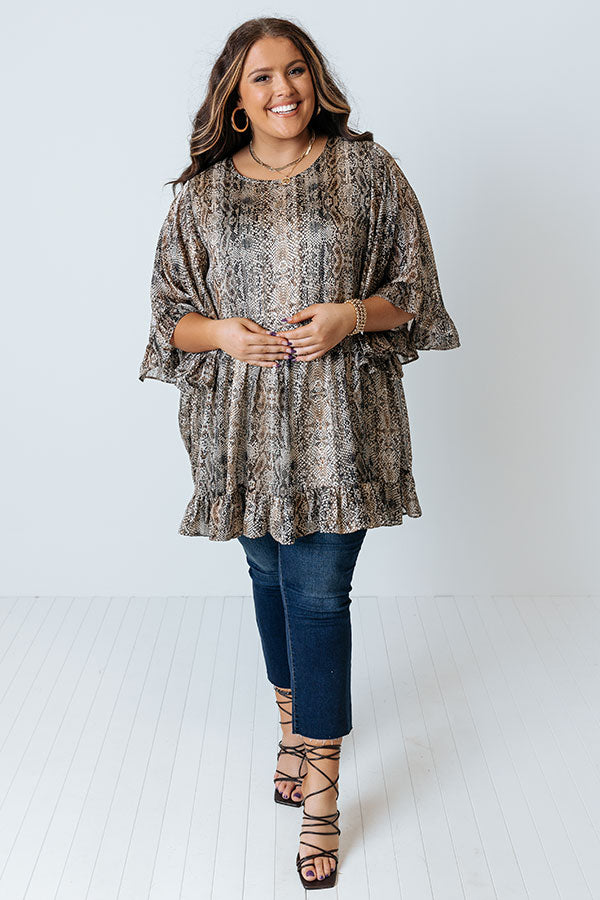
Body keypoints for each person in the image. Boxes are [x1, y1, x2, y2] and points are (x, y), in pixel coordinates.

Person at [138, 16, 461, 890]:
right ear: (235, 100)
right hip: (238, 430)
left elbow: (415, 290)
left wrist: (350, 315)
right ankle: (291, 726)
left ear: (315, 79)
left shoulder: (367, 170)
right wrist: (224, 334)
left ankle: (321, 794)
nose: (283, 89)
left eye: (296, 70)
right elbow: (169, 315)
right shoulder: (203, 196)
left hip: (340, 422)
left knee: (318, 596)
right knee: (267, 577)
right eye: (262, 77)